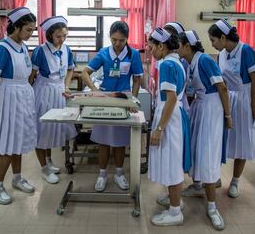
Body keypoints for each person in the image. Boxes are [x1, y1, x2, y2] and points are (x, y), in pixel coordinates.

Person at [208, 19, 255, 198]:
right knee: (221, 139)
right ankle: (216, 176)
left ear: (223, 37)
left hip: (244, 98)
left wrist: (254, 106)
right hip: (228, 98)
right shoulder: (221, 55)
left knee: (241, 141)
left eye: (213, 40)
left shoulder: (246, 50)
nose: (212, 44)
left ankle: (235, 181)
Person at [178, 30, 232, 230]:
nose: (176, 48)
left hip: (212, 110)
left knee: (208, 154)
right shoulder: (190, 63)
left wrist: (228, 116)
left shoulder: (205, 61)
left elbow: (223, 88)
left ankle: (212, 207)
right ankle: (198, 185)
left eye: (179, 45)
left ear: (186, 46)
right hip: (200, 107)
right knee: (197, 148)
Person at [81, 21, 143, 192]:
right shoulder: (103, 53)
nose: (117, 44)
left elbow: (138, 79)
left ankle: (118, 173)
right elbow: (85, 73)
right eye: (114, 39)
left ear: (127, 39)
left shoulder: (133, 55)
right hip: (105, 99)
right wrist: (95, 91)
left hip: (123, 100)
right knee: (103, 141)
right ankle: (102, 174)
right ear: (110, 37)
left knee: (120, 141)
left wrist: (133, 101)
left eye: (121, 40)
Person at [0, 7, 37, 205]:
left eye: (32, 30)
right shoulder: (2, 48)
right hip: (8, 96)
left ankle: (17, 178)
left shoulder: (23, 46)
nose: (30, 34)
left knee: (19, 141)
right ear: (16, 27)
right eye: (28, 30)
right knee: (8, 144)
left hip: (23, 94)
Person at [148, 27, 190, 226]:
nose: (151, 52)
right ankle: (175, 201)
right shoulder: (177, 62)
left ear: (161, 46)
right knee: (172, 161)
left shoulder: (166, 65)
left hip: (169, 118)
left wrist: (159, 129)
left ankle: (175, 213)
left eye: (151, 48)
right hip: (173, 116)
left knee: (172, 164)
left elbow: (171, 98)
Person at [29, 16, 77, 184]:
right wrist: (27, 97)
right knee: (41, 130)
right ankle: (44, 168)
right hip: (43, 91)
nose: (62, 39)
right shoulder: (40, 51)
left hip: (59, 92)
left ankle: (49, 162)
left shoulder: (67, 49)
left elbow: (71, 69)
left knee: (51, 129)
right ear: (49, 35)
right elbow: (31, 76)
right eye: (58, 36)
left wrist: (67, 86)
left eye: (65, 35)